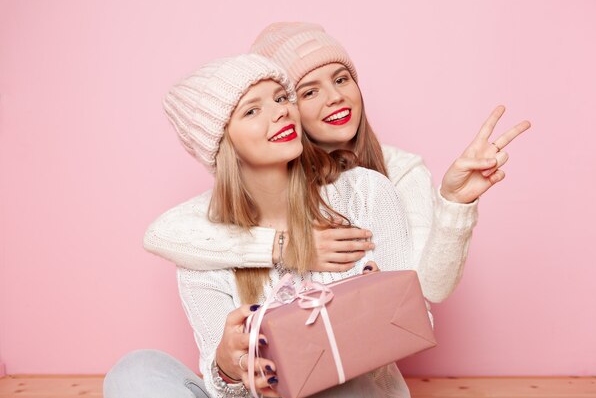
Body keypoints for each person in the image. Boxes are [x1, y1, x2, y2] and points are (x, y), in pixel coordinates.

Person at [144, 22, 531, 304]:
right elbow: (167, 232)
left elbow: (427, 291)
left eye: (342, 79)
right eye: (308, 91)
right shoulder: (273, 181)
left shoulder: (396, 172)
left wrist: (453, 204)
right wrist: (289, 247)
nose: (335, 97)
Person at [105, 54, 415, 398]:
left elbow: (410, 324)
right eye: (252, 110)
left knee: (334, 379)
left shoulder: (364, 193)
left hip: (350, 389)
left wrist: (370, 307)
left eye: (281, 98)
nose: (281, 111)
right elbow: (224, 387)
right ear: (224, 144)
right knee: (135, 372)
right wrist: (229, 366)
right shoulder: (205, 243)